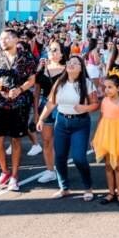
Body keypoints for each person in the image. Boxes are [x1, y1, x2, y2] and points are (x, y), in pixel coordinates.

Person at [37, 55, 99, 200]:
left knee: (79, 158)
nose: (71, 64)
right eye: (69, 62)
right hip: (61, 122)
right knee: (59, 157)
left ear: (81, 68)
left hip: (80, 123)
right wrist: (41, 118)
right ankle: (64, 188)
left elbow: (96, 104)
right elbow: (51, 103)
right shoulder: (59, 82)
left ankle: (88, 187)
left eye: (75, 63)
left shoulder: (87, 84)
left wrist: (85, 107)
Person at [0, 29, 37, 192]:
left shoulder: (26, 57)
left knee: (16, 140)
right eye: (1, 38)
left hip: (20, 103)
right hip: (1, 103)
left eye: (7, 38)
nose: (3, 41)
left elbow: (32, 80)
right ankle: (5, 171)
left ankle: (14, 176)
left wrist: (20, 90)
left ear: (16, 40)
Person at [92, 73, 119, 206]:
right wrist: (95, 137)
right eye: (105, 87)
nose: (107, 90)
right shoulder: (104, 101)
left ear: (118, 88)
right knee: (108, 166)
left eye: (110, 87)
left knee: (117, 166)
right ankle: (111, 192)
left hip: (118, 137)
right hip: (105, 135)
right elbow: (101, 119)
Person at [34, 40, 66, 184]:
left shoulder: (67, 70)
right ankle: (50, 170)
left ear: (61, 53)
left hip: (62, 108)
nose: (52, 53)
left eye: (55, 50)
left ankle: (61, 170)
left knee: (61, 142)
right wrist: (36, 112)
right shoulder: (42, 70)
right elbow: (36, 92)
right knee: (47, 141)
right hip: (45, 107)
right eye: (50, 50)